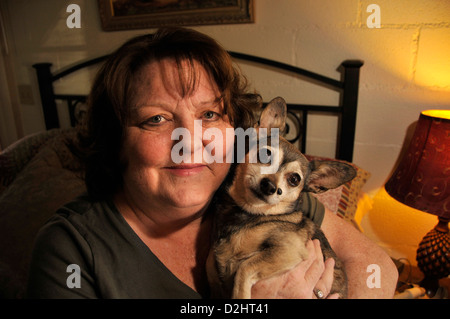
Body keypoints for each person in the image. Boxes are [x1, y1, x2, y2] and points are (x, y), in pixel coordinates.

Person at [26, 27, 397, 299]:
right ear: (115, 140)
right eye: (156, 119)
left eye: (209, 114)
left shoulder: (251, 191)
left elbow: (378, 266)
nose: (190, 141)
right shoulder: (71, 250)